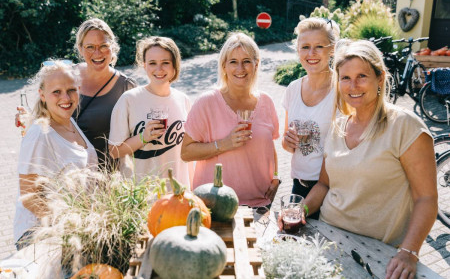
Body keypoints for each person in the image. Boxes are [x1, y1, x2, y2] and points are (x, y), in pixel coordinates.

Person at [303, 39, 437, 279]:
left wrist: (409, 252)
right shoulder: (337, 126)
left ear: (380, 78)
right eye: (345, 78)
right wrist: (300, 209)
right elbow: (324, 184)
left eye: (362, 76)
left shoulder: (406, 127)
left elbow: (426, 199)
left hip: (376, 253)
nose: (353, 85)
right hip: (327, 237)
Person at [16, 18, 136, 169]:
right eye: (90, 47)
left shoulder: (126, 86)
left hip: (104, 177)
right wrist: (29, 118)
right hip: (60, 172)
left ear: (113, 47)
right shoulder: (68, 75)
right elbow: (45, 109)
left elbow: (134, 134)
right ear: (80, 49)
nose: (97, 53)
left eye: (103, 46)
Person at [181, 33, 280, 207]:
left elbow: (270, 146)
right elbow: (186, 153)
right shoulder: (207, 102)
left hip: (260, 203)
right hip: (215, 204)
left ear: (256, 65)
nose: (240, 68)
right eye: (233, 61)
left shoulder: (266, 101)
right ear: (224, 66)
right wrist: (224, 144)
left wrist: (276, 177)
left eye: (246, 61)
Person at [14, 61, 98, 250]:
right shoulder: (40, 135)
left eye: (71, 90)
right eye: (56, 92)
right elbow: (29, 196)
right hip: (41, 237)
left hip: (74, 228)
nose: (66, 97)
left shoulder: (70, 122)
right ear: (42, 95)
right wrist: (68, 227)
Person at [108, 36, 192, 187]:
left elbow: (189, 153)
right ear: (144, 65)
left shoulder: (183, 100)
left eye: (165, 63)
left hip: (178, 195)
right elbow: (114, 151)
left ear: (175, 65)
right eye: (153, 63)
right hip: (142, 195)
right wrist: (143, 137)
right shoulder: (129, 100)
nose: (159, 69)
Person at [281, 18, 340, 217]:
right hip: (298, 187)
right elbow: (287, 144)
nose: (311, 54)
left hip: (332, 191)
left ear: (331, 49)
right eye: (305, 47)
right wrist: (287, 142)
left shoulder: (341, 91)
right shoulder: (292, 89)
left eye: (319, 47)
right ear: (298, 50)